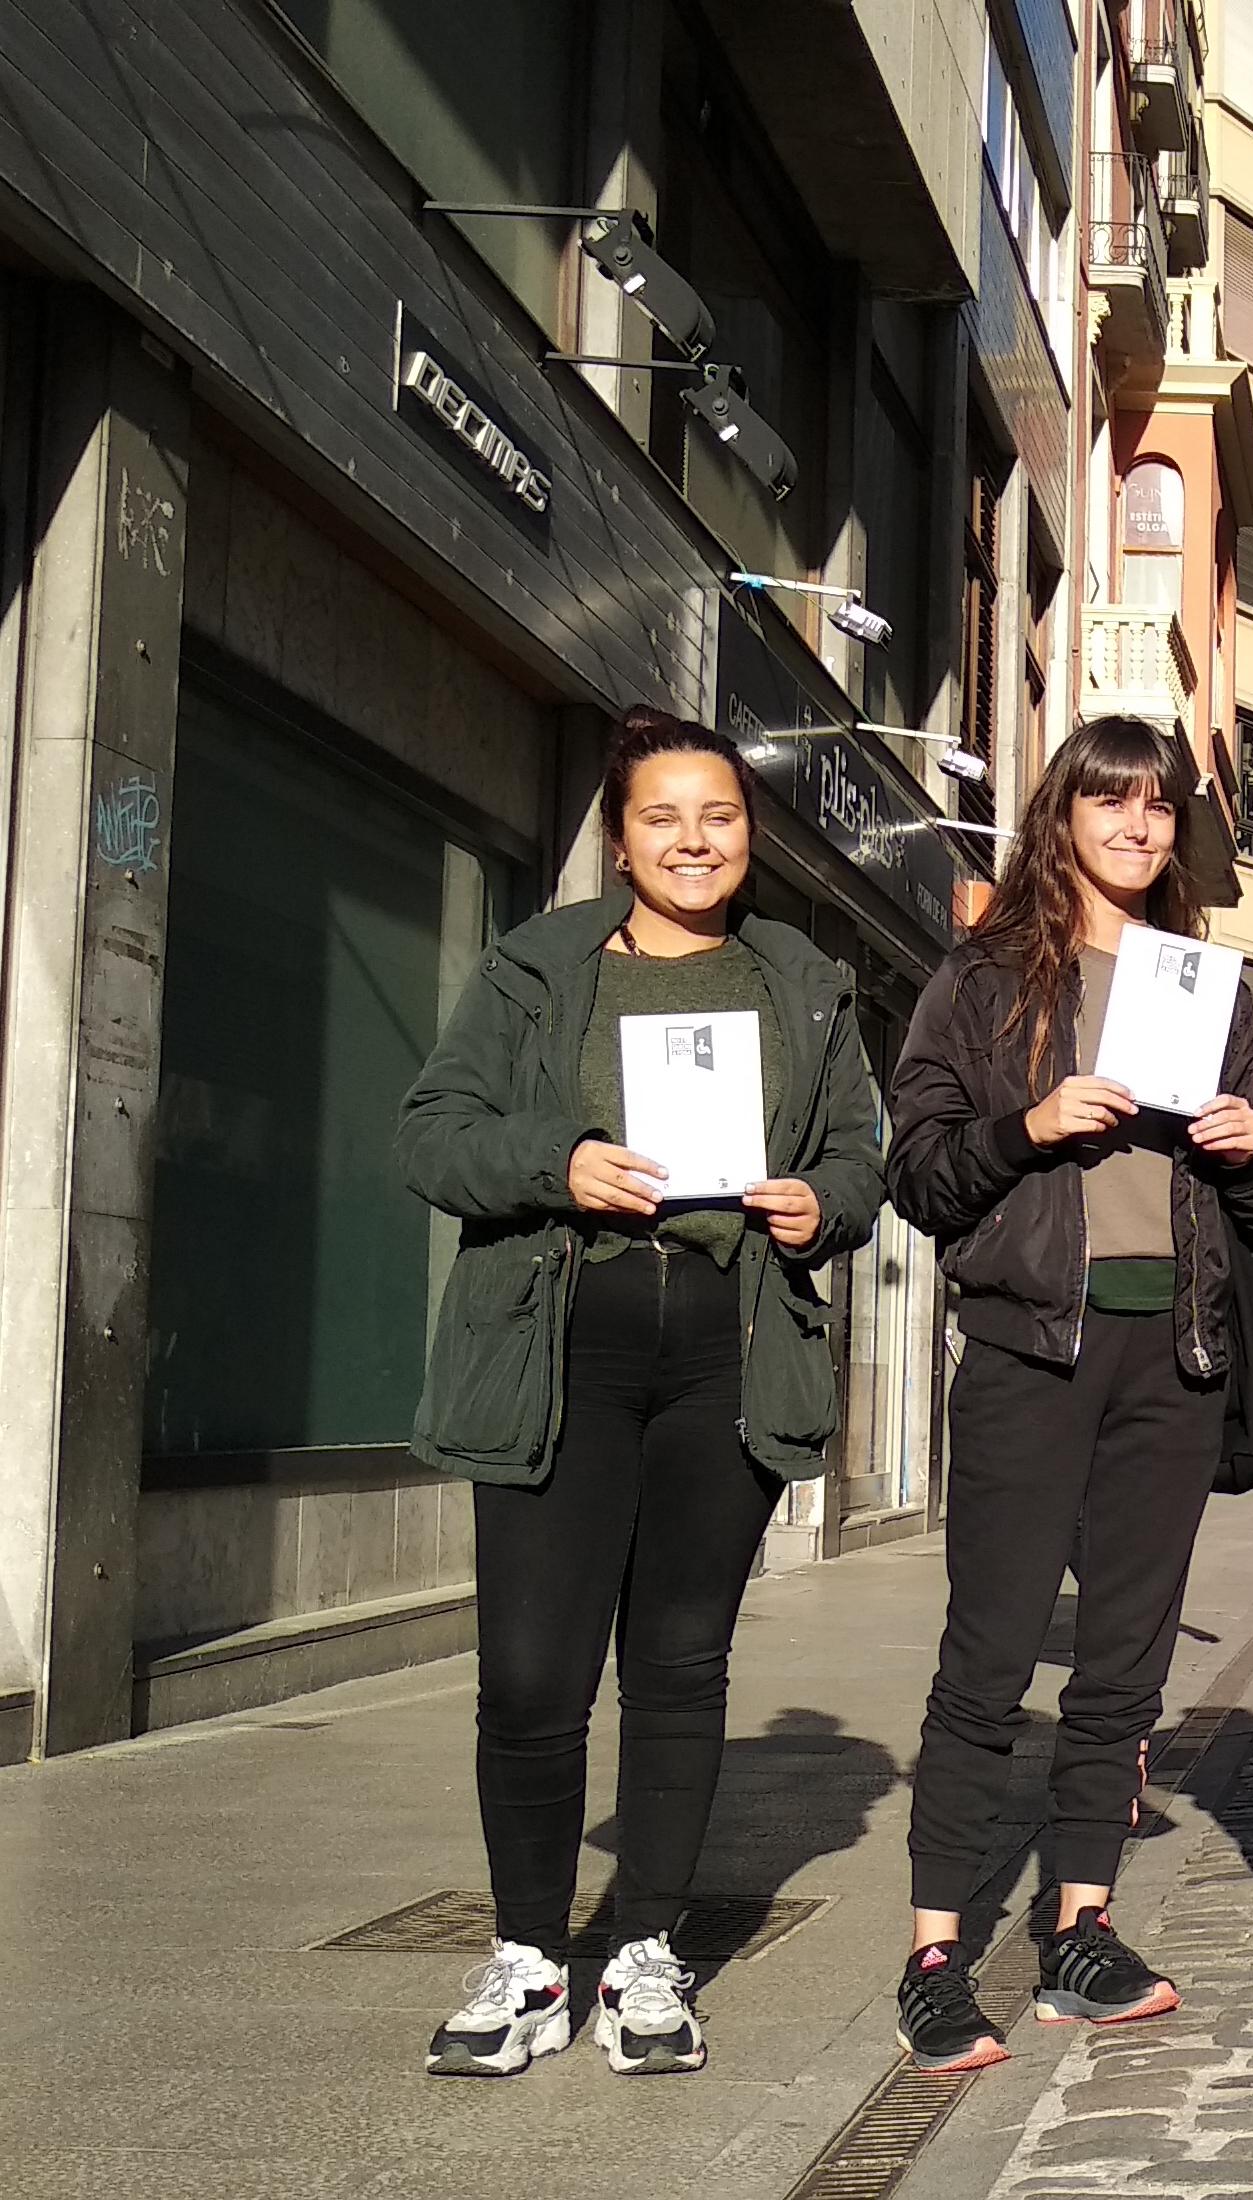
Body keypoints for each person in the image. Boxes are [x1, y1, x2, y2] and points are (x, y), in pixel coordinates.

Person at [398, 705, 886, 2077]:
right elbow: (431, 1135)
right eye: (662, 816)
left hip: (722, 1356)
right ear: (620, 839)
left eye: (718, 816)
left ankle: (649, 1954)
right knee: (532, 1672)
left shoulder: (801, 979)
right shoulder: (537, 968)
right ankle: (527, 1956)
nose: (692, 839)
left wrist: (820, 1202)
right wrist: (560, 1162)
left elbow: (861, 1149)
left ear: (750, 835)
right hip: (560, 1352)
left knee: (679, 1664)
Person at [880, 718, 1253, 2071]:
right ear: (1061, 812)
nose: (1136, 826)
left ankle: (1080, 1927)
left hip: (1167, 1353)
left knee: (1123, 1662)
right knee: (989, 1656)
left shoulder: (1207, 983)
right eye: (1109, 802)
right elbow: (922, 1171)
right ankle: (935, 1950)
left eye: (1158, 807)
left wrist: (1245, 1148)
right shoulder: (987, 970)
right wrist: (1029, 1126)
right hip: (1026, 1346)